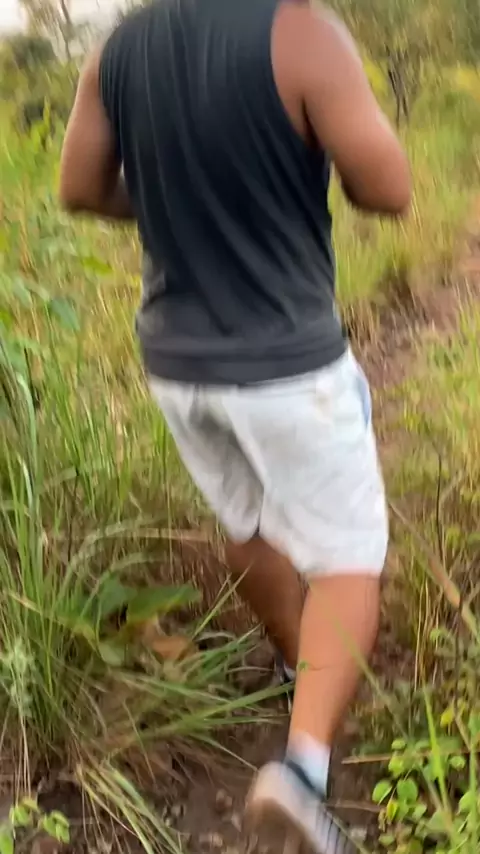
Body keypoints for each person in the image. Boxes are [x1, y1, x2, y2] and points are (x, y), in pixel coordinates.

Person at [59, 0, 411, 850]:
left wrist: (175, 205)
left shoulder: (119, 51)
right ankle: (302, 772)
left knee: (250, 524)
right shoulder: (304, 34)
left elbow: (79, 188)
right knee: (350, 559)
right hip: (287, 365)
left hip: (179, 365)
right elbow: (389, 189)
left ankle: (298, 666)